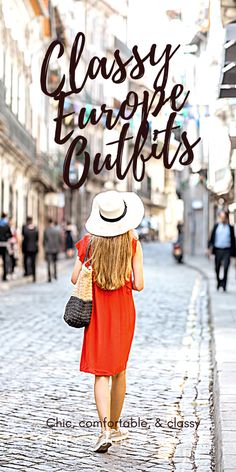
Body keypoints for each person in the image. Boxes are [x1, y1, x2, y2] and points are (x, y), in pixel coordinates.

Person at [70, 190, 144, 453]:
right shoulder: (133, 243)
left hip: (98, 313)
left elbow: (74, 278)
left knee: (101, 373)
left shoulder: (89, 243)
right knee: (119, 369)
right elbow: (139, 284)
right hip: (123, 311)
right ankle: (115, 426)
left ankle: (103, 431)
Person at [208, 210, 236, 291]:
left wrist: (234, 255)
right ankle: (218, 282)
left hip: (227, 250)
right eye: (221, 217)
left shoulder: (230, 228)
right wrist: (209, 248)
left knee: (226, 268)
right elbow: (212, 238)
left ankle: (224, 285)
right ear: (220, 217)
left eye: (224, 217)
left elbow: (233, 241)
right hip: (217, 250)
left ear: (226, 218)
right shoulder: (216, 226)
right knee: (217, 268)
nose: (223, 219)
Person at [22, 217, 38, 282]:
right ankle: (34, 275)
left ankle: (26, 272)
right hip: (34, 248)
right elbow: (37, 238)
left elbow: (23, 235)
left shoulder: (25, 228)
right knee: (33, 262)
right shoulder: (35, 228)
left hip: (26, 247)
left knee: (25, 260)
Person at [0, 213, 12, 281]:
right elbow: (10, 235)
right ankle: (4, 276)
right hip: (4, 244)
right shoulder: (6, 225)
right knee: (5, 260)